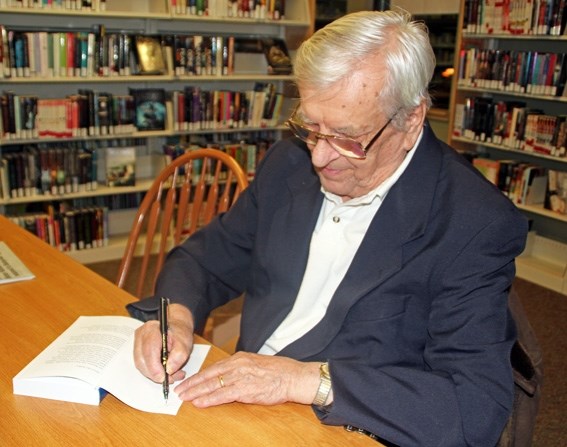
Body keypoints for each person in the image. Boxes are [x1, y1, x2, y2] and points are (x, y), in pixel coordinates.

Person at [132, 9, 528, 446]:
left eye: (347, 137)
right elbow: (205, 258)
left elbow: (473, 408)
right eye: (310, 127)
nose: (320, 156)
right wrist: (177, 319)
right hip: (240, 409)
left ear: (411, 117)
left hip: (342, 427)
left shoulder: (472, 222)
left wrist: (304, 380)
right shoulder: (289, 164)